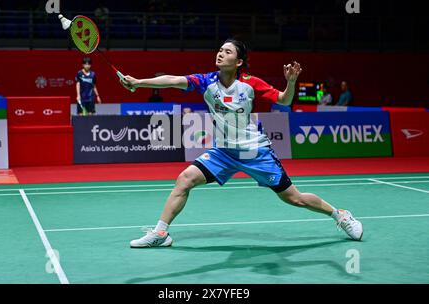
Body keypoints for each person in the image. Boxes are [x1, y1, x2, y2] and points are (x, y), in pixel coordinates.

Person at [120, 38, 363, 248]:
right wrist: (139, 82)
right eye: (220, 50)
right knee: (185, 179)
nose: (220, 53)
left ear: (238, 62)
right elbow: (173, 80)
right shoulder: (207, 81)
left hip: (254, 152)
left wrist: (290, 83)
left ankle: (340, 215)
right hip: (223, 152)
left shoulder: (250, 83)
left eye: (227, 51)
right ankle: (161, 233)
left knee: (293, 198)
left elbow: (284, 101)